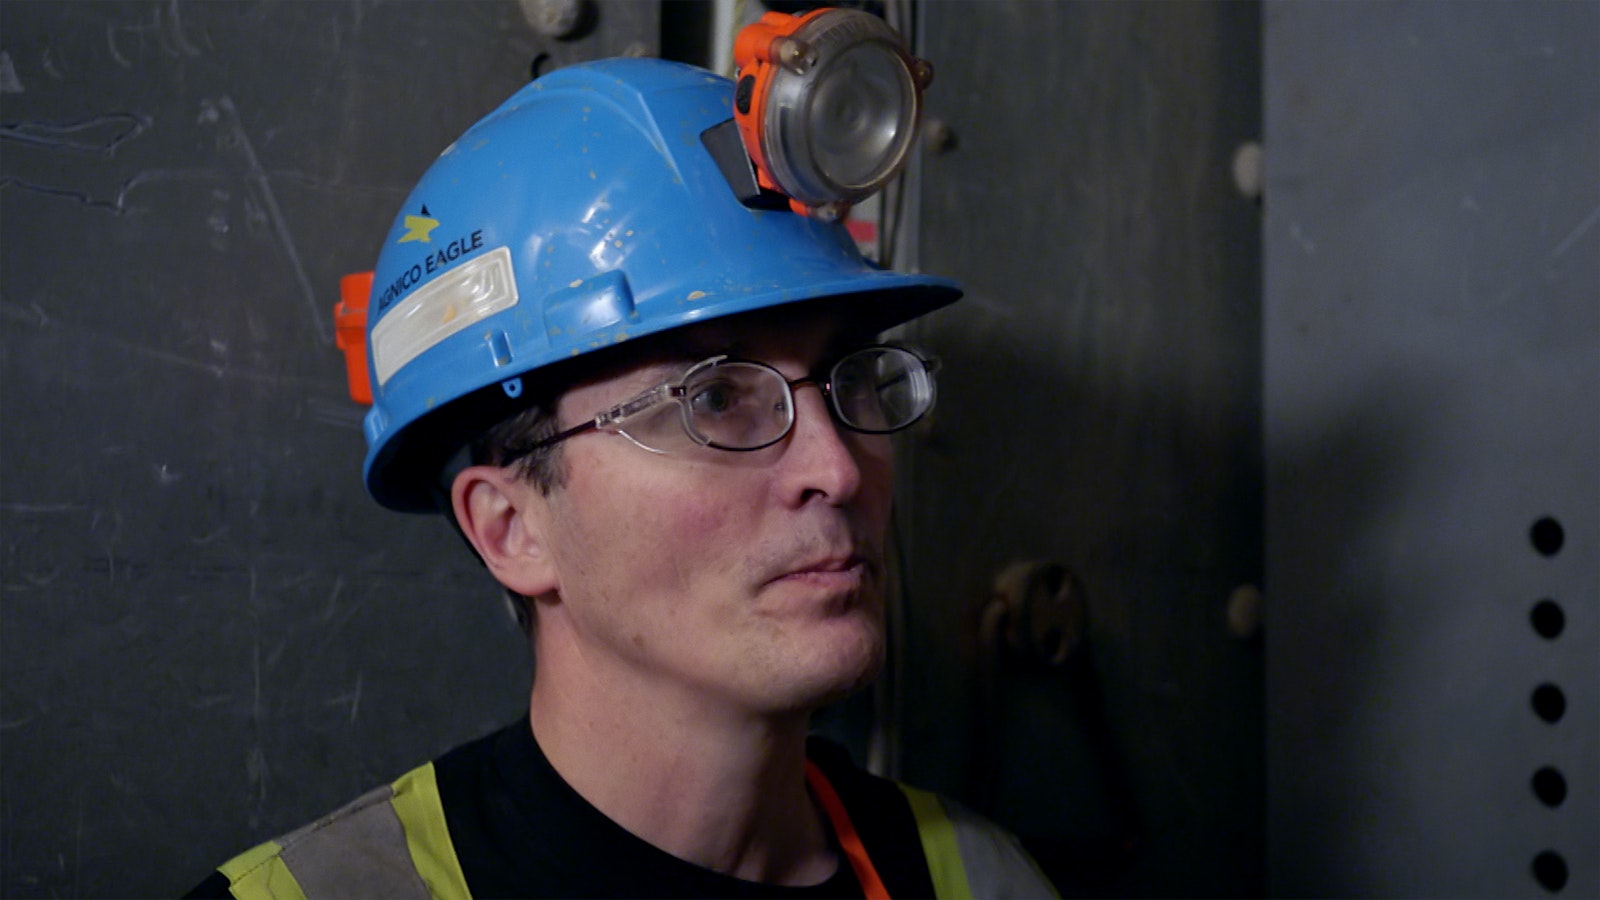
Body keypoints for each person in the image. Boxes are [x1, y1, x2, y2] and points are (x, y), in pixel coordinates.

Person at [188, 51, 1057, 900]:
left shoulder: (977, 880)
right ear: (511, 528)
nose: (835, 468)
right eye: (714, 399)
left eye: (850, 378)